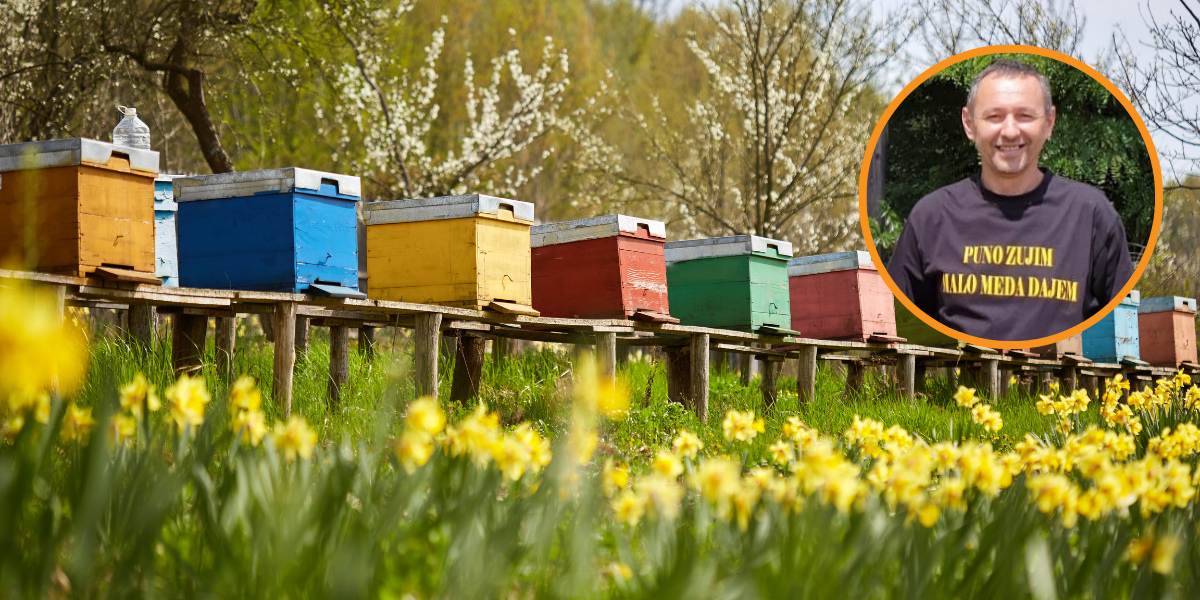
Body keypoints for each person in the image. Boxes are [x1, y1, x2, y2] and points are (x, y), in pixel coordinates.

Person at [887, 59, 1135, 342]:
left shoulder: (1091, 215)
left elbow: (1122, 335)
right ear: (969, 124)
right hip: (956, 386)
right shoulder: (931, 217)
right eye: (994, 116)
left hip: (1064, 387)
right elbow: (899, 330)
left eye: (1025, 116)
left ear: (1049, 122)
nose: (1010, 131)